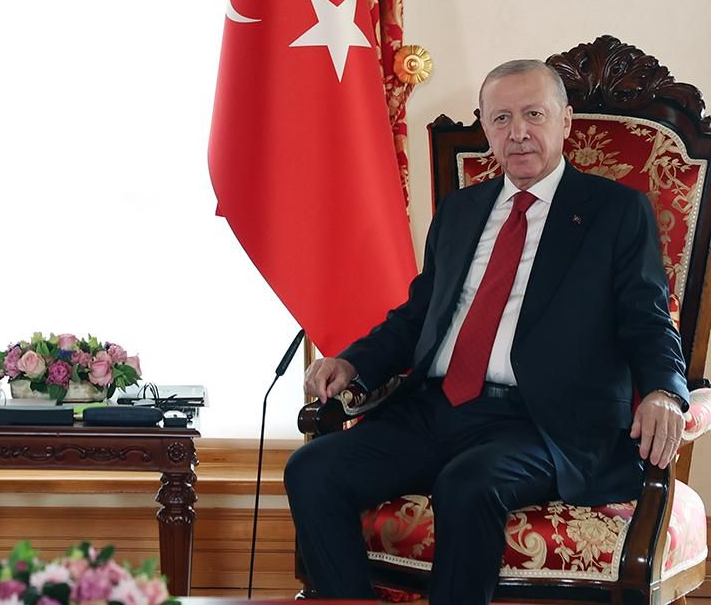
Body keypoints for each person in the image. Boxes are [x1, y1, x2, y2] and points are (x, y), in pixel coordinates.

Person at [285, 60, 689, 604]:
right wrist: (354, 361)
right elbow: (418, 315)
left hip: (541, 423)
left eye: (533, 115)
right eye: (501, 118)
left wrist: (664, 390)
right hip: (435, 408)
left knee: (469, 482)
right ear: (485, 128)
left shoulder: (615, 212)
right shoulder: (461, 209)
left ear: (565, 121)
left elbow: (648, 319)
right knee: (313, 469)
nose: (517, 132)